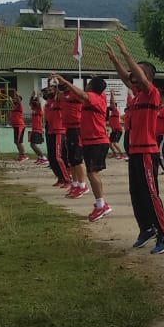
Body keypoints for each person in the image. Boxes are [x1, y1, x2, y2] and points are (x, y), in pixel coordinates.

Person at [107, 38, 164, 254]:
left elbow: (138, 77)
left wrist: (125, 53)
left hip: (147, 151)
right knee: (136, 192)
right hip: (134, 152)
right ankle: (147, 228)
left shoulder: (152, 93)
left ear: (146, 77)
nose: (132, 75)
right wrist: (114, 59)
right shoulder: (136, 97)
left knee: (151, 193)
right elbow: (125, 77)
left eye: (137, 72)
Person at [54, 74, 112, 222]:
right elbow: (74, 95)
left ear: (91, 87)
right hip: (90, 141)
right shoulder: (92, 98)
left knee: (92, 173)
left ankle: (101, 205)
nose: (85, 85)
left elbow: (80, 94)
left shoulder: (95, 98)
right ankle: (100, 203)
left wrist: (66, 81)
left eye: (89, 83)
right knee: (92, 172)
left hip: (97, 141)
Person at [60, 79, 88, 199]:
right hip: (68, 129)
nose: (61, 86)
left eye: (63, 84)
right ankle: (75, 184)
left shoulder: (75, 94)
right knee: (71, 159)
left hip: (77, 128)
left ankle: (82, 186)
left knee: (77, 159)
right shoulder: (63, 96)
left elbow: (84, 98)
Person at [44, 87, 68, 188]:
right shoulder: (49, 102)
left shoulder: (59, 100)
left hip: (59, 130)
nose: (48, 92)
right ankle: (60, 178)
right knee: (51, 158)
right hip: (50, 130)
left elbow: (61, 94)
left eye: (50, 90)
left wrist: (57, 84)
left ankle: (67, 180)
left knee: (58, 157)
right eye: (48, 91)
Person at [8, 93, 27, 161]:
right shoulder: (14, 107)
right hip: (15, 126)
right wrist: (10, 99)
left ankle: (23, 155)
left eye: (15, 98)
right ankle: (20, 155)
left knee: (19, 141)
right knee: (16, 142)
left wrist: (17, 95)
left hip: (20, 126)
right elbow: (11, 103)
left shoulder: (19, 106)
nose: (14, 99)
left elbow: (18, 100)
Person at [27, 93, 46, 163]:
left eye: (36, 102)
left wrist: (38, 96)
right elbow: (30, 103)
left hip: (38, 130)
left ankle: (43, 157)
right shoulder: (33, 109)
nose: (34, 103)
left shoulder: (39, 110)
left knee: (33, 144)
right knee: (32, 145)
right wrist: (32, 96)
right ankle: (40, 157)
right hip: (34, 129)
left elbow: (39, 103)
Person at [107, 93, 126, 160]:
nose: (110, 106)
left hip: (118, 130)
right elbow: (110, 123)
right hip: (114, 131)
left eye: (111, 105)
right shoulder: (111, 114)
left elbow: (112, 102)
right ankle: (115, 154)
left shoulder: (115, 111)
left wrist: (112, 94)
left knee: (114, 143)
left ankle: (122, 155)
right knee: (109, 143)